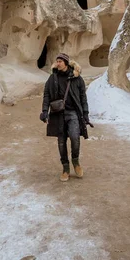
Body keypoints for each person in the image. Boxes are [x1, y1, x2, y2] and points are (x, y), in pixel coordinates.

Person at [40, 52, 90, 182]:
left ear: (66, 63)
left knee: (75, 137)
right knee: (61, 143)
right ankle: (65, 168)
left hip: (73, 113)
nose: (58, 63)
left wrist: (85, 114)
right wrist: (44, 111)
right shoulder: (52, 78)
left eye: (60, 61)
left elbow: (83, 97)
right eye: (57, 61)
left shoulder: (76, 78)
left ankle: (76, 162)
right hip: (58, 114)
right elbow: (46, 95)